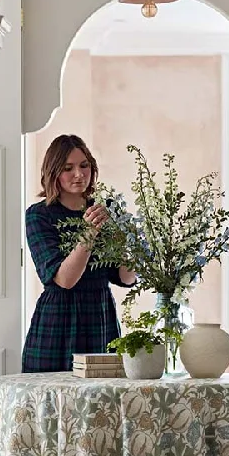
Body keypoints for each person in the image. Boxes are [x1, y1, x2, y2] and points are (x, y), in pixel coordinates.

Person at [22, 134, 136, 372]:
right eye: (68, 168)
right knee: (53, 403)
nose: (79, 174)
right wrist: (90, 232)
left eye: (84, 166)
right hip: (58, 320)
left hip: (100, 314)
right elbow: (64, 279)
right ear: (53, 172)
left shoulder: (106, 209)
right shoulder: (39, 215)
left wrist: (129, 240)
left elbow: (127, 278)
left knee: (102, 402)